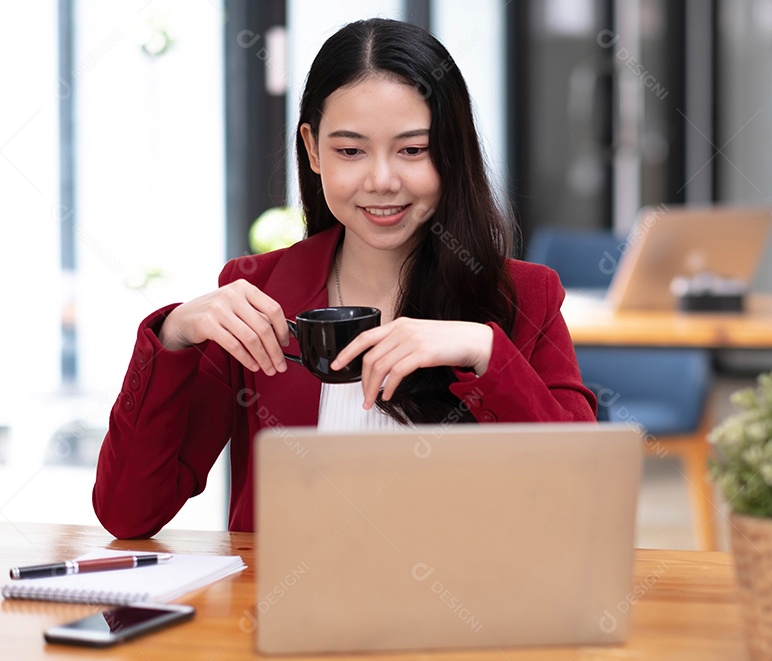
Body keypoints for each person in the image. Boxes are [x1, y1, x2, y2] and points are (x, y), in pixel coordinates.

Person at [93, 18, 597, 540]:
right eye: (350, 151)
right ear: (312, 150)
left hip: (466, 612)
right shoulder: (260, 297)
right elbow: (129, 513)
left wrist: (487, 352)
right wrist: (174, 333)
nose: (381, 181)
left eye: (413, 149)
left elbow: (582, 501)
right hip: (287, 613)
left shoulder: (524, 297)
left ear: (451, 150)